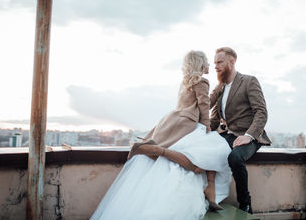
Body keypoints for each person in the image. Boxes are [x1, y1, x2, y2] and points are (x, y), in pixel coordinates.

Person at [90, 50, 232, 220]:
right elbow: (203, 106)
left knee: (205, 155)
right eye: (207, 62)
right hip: (187, 123)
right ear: (200, 64)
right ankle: (155, 150)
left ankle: (210, 192)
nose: (210, 65)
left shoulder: (186, 81)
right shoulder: (202, 81)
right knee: (214, 151)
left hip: (172, 120)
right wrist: (206, 128)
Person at [210, 47, 271, 214]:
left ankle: (245, 204)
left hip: (249, 136)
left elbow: (261, 112)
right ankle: (211, 200)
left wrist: (248, 136)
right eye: (214, 63)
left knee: (235, 157)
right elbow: (213, 118)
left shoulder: (249, 81)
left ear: (231, 62)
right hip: (227, 135)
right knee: (204, 153)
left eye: (219, 62)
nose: (215, 66)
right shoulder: (220, 88)